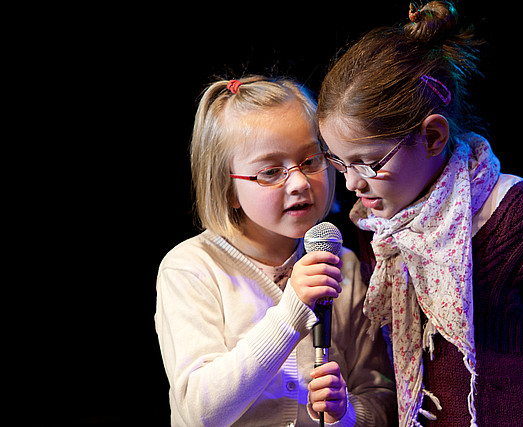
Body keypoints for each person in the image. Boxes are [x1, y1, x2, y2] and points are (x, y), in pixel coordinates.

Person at [316, 2, 523, 426]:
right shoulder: (381, 227)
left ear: (433, 136)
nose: (353, 184)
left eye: (370, 163)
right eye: (339, 162)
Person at [155, 76, 397, 426]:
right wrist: (290, 311)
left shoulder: (343, 264)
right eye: (270, 172)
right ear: (228, 190)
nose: (299, 183)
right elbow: (200, 412)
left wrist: (345, 415)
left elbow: (383, 399)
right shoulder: (191, 268)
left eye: (311, 161)